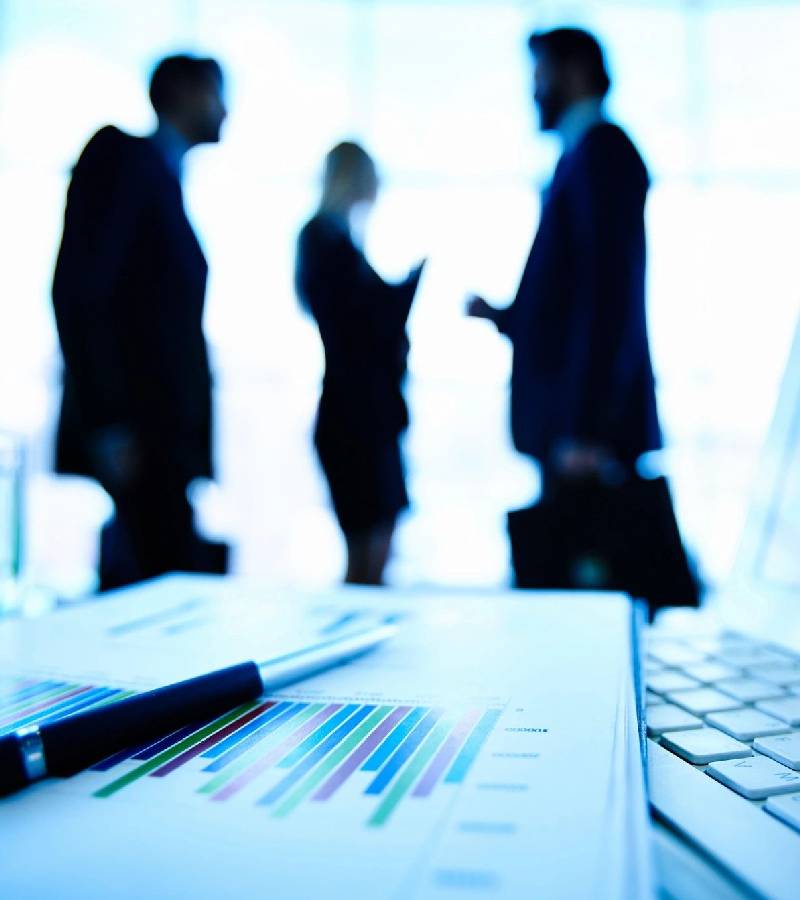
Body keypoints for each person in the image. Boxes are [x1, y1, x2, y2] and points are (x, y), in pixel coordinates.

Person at [52, 54, 229, 591]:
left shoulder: (162, 176)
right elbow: (81, 293)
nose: (225, 109)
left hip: (161, 441)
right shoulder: (123, 158)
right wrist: (108, 423)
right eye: (216, 92)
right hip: (138, 437)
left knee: (160, 583)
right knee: (157, 589)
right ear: (180, 91)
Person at [467, 27, 661, 494]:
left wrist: (587, 426)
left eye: (540, 76)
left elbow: (609, 295)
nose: (533, 91)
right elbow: (574, 296)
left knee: (592, 559)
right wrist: (508, 316)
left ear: (573, 73)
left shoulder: (602, 154)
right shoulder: (580, 156)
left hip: (588, 438)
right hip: (575, 426)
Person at [295, 142, 424, 585]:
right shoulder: (322, 239)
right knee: (366, 551)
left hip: (364, 414)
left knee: (374, 544)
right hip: (354, 418)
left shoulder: (334, 240)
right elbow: (356, 321)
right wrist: (402, 295)